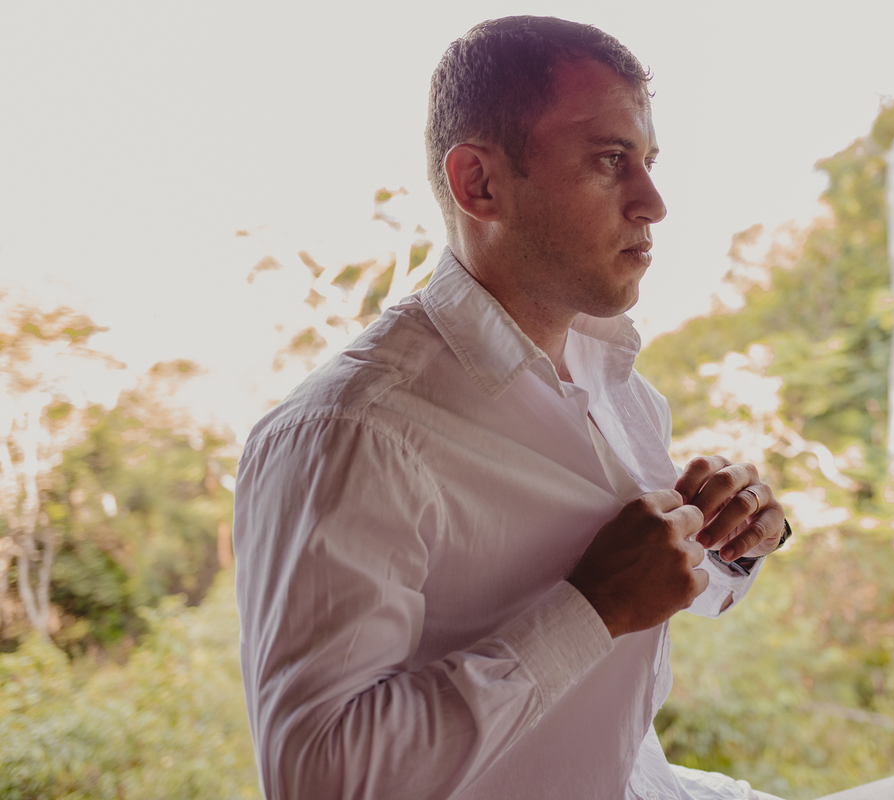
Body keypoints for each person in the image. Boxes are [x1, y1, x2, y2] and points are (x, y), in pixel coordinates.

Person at [234, 15, 790, 800]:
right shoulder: (350, 433)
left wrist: (732, 539)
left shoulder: (616, 383)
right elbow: (319, 778)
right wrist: (591, 609)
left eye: (649, 161)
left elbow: (657, 579)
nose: (654, 202)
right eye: (610, 160)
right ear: (480, 185)